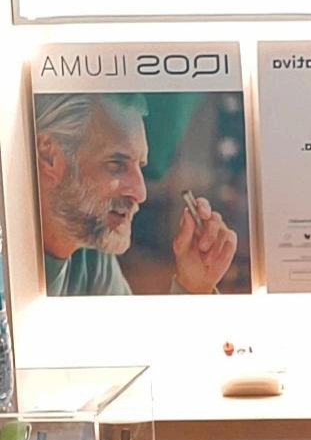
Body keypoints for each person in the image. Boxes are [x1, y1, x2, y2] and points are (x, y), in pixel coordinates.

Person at [35, 92, 237, 295]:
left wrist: (194, 286)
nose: (141, 193)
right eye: (116, 164)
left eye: (140, 166)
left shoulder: (91, 257)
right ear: (49, 156)